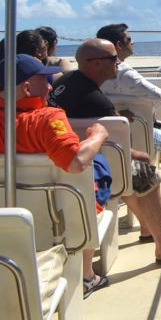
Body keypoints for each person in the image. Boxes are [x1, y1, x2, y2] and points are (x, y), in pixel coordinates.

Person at [51, 39, 161, 269]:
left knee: (126, 168)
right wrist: (143, 156)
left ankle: (148, 228)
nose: (118, 63)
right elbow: (119, 152)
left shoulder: (62, 82)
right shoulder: (97, 102)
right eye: (113, 59)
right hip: (88, 167)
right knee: (142, 170)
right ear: (95, 64)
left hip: (58, 162)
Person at [0, 54, 111, 297]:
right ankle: (87, 276)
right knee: (98, 169)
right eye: (44, 80)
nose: (50, 86)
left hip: (7, 218)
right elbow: (75, 162)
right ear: (27, 88)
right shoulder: (48, 118)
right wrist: (98, 136)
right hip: (58, 221)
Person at [95, 23, 161, 222]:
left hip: (104, 141)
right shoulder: (125, 74)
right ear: (118, 46)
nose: (133, 42)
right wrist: (148, 116)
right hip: (138, 138)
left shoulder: (91, 73)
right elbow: (157, 96)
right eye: (129, 39)